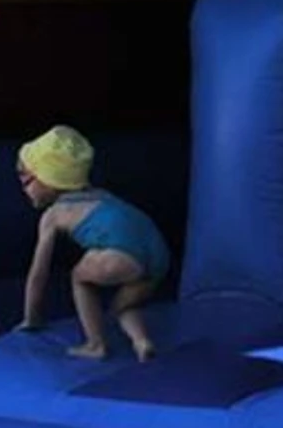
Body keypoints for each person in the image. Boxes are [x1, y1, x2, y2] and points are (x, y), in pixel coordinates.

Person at [14, 125, 171, 360]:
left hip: (121, 254)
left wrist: (31, 317)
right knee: (123, 306)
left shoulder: (53, 215)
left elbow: (39, 273)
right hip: (158, 251)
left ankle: (96, 344)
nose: (22, 186)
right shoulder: (101, 194)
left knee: (79, 277)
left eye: (25, 177)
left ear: (48, 179)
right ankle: (142, 342)